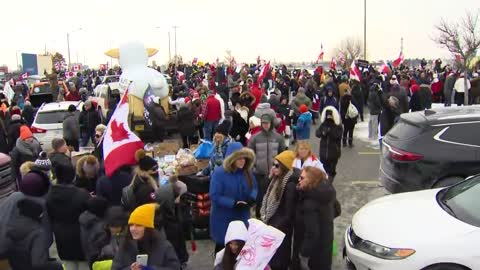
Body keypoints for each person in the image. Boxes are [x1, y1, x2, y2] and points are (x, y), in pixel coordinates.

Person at [210, 142, 257, 253]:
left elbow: (254, 187)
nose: (242, 161)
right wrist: (233, 203)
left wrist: (252, 198)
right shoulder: (219, 173)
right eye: (239, 158)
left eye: (244, 158)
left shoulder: (247, 172)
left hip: (242, 216)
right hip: (224, 218)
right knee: (224, 248)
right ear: (232, 159)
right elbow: (214, 195)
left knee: (240, 247)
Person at [111, 203, 181, 270]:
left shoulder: (164, 246)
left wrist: (151, 269)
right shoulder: (124, 245)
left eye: (138, 225)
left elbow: (175, 268)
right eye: (131, 225)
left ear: (148, 228)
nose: (133, 229)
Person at [47, 164, 90, 270]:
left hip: (61, 236)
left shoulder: (50, 195)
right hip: (81, 236)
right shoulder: (82, 194)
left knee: (69, 265)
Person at [260, 151, 299, 270]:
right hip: (273, 225)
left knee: (280, 259)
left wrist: (274, 227)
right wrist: (269, 176)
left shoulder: (289, 185)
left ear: (284, 167)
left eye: (277, 165)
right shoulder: (276, 179)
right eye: (273, 164)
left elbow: (288, 213)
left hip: (281, 229)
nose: (273, 168)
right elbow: (263, 192)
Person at [294, 167, 335, 270]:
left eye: (302, 178)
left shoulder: (309, 203)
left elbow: (312, 233)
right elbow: (337, 210)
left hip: (314, 253)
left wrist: (303, 254)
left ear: (310, 180)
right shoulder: (327, 192)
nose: (299, 180)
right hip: (325, 243)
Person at [5, 199, 63, 270]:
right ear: (35, 215)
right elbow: (38, 263)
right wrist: (57, 265)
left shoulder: (10, 226)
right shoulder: (38, 233)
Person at [248, 114, 286, 218]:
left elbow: (283, 153)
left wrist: (280, 168)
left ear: (271, 123)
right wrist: (254, 165)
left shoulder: (278, 137)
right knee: (260, 196)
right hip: (259, 173)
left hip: (274, 173)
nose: (265, 125)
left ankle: (270, 215)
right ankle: (259, 215)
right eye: (263, 123)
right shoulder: (255, 137)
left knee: (273, 196)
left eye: (267, 123)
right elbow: (249, 153)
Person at [79, 197, 111, 267]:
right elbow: (104, 246)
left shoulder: (85, 219)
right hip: (100, 260)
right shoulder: (101, 226)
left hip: (89, 256)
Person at [315, 107, 342, 183]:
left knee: (332, 169)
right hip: (324, 151)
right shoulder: (323, 124)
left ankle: (329, 182)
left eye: (330, 115)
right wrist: (323, 132)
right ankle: (325, 182)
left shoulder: (337, 126)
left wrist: (330, 131)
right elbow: (317, 133)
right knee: (323, 168)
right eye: (328, 115)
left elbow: (337, 136)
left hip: (333, 151)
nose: (329, 117)